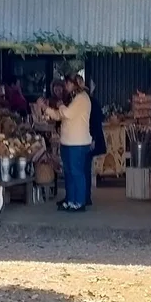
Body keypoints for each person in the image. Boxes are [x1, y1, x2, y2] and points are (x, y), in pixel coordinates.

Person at [38, 74, 92, 212]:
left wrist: (61, 105)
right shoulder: (74, 98)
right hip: (68, 142)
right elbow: (59, 116)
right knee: (68, 172)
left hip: (78, 143)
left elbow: (66, 113)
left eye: (67, 83)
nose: (65, 86)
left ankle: (79, 202)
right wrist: (46, 108)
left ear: (75, 84)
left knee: (77, 172)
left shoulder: (82, 98)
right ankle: (70, 200)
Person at [86, 80, 107, 207]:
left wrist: (92, 139)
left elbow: (94, 123)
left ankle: (86, 196)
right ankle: (86, 196)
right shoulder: (94, 103)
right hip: (92, 138)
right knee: (86, 169)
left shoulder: (90, 104)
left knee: (85, 169)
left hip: (90, 139)